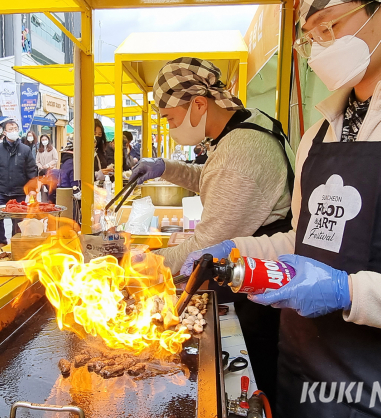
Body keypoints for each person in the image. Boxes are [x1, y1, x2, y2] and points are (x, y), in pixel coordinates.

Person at [185, 0, 381, 415]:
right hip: (300, 380)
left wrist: (347, 291)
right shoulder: (317, 135)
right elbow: (304, 240)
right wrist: (240, 248)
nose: (320, 48)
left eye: (329, 27)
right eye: (311, 37)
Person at [130, 57, 294, 405]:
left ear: (200, 104)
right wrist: (165, 168)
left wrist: (150, 264)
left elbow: (207, 245)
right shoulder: (244, 126)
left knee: (259, 379)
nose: (172, 127)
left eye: (171, 119)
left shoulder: (240, 153)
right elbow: (210, 177)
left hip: (261, 283)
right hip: (258, 264)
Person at [0, 119, 37, 246]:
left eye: (15, 129)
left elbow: (31, 170)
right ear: (5, 132)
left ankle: (15, 241)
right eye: (10, 129)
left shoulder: (25, 150)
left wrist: (33, 188)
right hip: (1, 190)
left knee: (18, 220)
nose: (13, 131)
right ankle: (1, 241)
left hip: (19, 191)